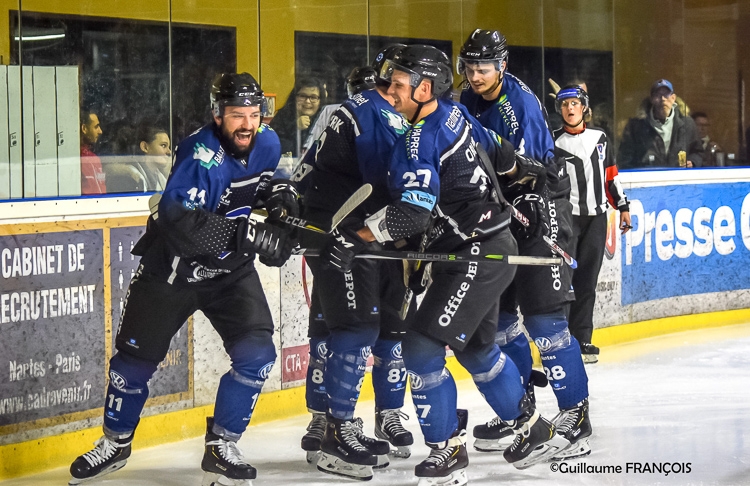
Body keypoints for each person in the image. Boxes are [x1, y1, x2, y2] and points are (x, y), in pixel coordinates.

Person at [324, 43, 566, 485]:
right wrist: (528, 170)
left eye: (397, 84)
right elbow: (496, 149)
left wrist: (356, 237)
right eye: (386, 81)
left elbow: (412, 215)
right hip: (486, 247)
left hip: (476, 254)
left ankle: (446, 450)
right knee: (477, 350)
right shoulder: (454, 113)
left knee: (420, 347)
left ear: (425, 88)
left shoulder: (418, 140)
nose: (387, 90)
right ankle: (533, 429)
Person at [68, 72, 298, 486]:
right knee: (131, 366)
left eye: (252, 115)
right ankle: (115, 443)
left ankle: (222, 445)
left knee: (258, 355)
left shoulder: (266, 141)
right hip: (171, 273)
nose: (246, 125)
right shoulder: (199, 153)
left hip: (230, 273)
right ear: (216, 114)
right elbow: (179, 222)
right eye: (235, 116)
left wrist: (281, 197)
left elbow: (266, 180)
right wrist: (245, 234)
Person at [456, 29, 592, 461]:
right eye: (470, 67)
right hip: (498, 215)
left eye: (484, 67)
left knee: (545, 321)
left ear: (502, 66)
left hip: (540, 209)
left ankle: (576, 413)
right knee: (498, 322)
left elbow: (534, 170)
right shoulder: (466, 99)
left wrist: (527, 200)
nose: (475, 75)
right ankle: (522, 411)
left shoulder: (521, 105)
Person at [295, 47, 414, 481]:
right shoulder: (360, 116)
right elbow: (311, 175)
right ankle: (330, 426)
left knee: (381, 332)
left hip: (373, 239)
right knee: (343, 331)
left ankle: (368, 419)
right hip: (345, 238)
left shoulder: (393, 117)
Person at [553, 86, 631, 364]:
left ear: (584, 107)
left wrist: (622, 206)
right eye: (564, 105)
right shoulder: (554, 142)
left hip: (597, 219)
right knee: (564, 282)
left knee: (587, 281)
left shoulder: (600, 138)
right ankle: (560, 341)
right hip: (566, 221)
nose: (570, 109)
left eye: (575, 103)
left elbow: (611, 175)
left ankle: (583, 339)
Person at [618, 79, 703, 169]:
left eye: (666, 95)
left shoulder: (687, 124)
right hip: (646, 180)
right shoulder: (636, 127)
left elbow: (698, 152)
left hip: (678, 179)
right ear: (651, 99)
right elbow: (625, 158)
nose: (663, 99)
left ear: (673, 98)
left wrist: (693, 162)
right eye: (658, 95)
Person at [270, 77, 327, 157]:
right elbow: (273, 147)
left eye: (313, 97)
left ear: (320, 101)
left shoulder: (326, 120)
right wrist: (295, 128)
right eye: (303, 96)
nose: (307, 101)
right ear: (294, 98)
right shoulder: (282, 117)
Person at [105, 124, 172, 193]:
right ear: (145, 147)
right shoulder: (128, 178)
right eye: (163, 145)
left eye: (168, 147)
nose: (169, 151)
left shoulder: (161, 179)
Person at [80, 108, 106, 194]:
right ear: (84, 128)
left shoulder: (93, 158)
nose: (100, 131)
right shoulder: (82, 159)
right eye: (96, 127)